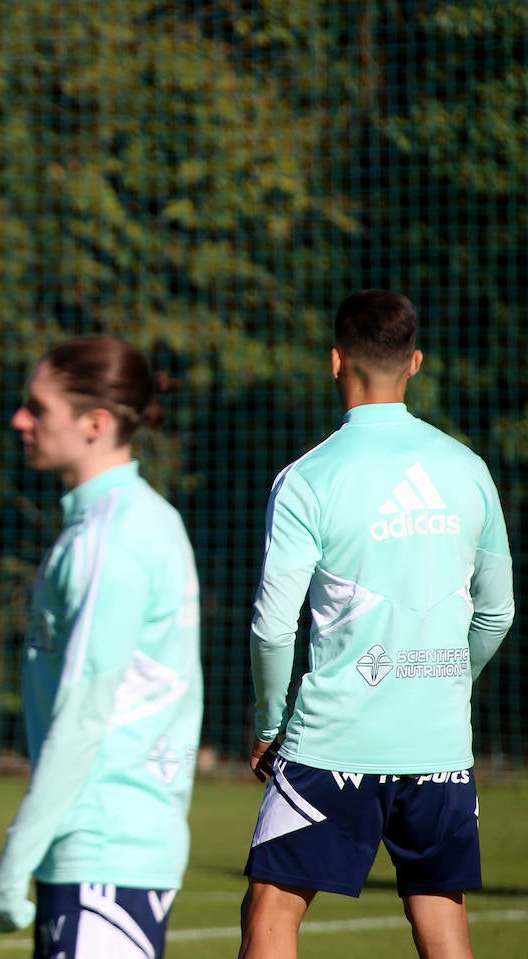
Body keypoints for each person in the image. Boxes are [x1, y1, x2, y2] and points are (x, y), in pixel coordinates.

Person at [239, 290, 515, 959]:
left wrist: (273, 724)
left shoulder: (308, 479)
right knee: (443, 923)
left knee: (271, 909)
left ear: (336, 361)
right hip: (438, 741)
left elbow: (274, 626)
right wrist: (449, 679)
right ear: (415, 362)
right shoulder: (467, 470)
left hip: (335, 738)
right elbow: (497, 610)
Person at [0, 336, 203, 958]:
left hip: (102, 845)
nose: (18, 420)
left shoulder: (112, 541)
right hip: (121, 845)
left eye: (37, 407)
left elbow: (83, 720)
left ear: (95, 425)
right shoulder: (145, 520)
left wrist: (11, 867)